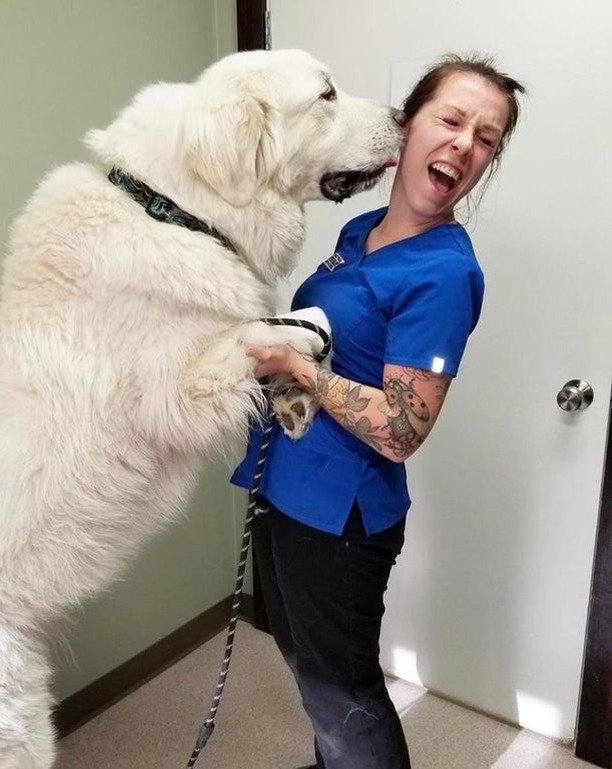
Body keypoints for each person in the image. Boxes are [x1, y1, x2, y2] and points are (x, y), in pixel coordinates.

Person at [230, 54, 526, 769]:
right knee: (307, 665)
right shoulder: (360, 229)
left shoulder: (445, 273)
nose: (464, 143)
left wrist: (296, 363)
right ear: (408, 126)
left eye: (485, 137)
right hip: (286, 488)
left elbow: (400, 430)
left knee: (345, 690)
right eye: (451, 120)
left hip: (341, 518)